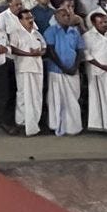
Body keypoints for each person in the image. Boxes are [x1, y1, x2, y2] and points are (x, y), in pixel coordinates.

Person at [43, 8, 85, 136]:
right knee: (57, 100)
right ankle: (56, 125)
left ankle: (73, 127)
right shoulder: (51, 31)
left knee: (73, 99)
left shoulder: (75, 31)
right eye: (63, 15)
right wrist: (63, 67)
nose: (66, 17)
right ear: (56, 17)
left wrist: (75, 66)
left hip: (72, 70)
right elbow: (50, 51)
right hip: (56, 71)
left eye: (68, 15)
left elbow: (80, 50)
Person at [10, 9, 47, 136]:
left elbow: (44, 47)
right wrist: (28, 54)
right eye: (27, 18)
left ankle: (34, 123)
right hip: (24, 67)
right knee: (23, 96)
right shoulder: (16, 33)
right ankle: (21, 123)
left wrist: (39, 53)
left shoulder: (37, 33)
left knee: (36, 96)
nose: (30, 20)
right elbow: (13, 49)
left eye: (31, 18)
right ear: (20, 20)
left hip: (37, 68)